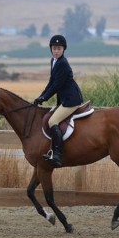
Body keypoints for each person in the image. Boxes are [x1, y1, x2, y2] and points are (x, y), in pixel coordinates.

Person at [33, 35, 84, 167]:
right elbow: (51, 82)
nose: (56, 51)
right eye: (54, 48)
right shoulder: (53, 61)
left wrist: (45, 98)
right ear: (51, 49)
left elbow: (57, 85)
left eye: (59, 48)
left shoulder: (62, 64)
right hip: (64, 99)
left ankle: (57, 154)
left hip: (71, 100)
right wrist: (41, 96)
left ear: (63, 50)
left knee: (52, 121)